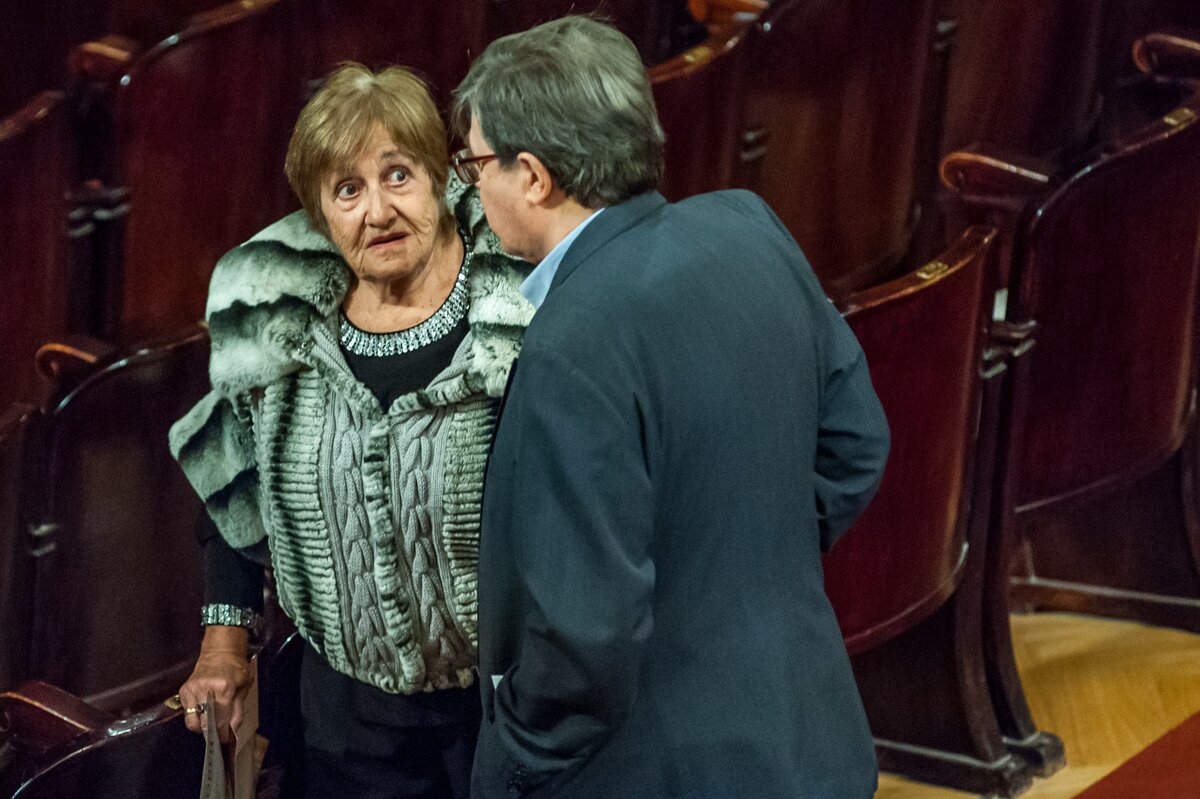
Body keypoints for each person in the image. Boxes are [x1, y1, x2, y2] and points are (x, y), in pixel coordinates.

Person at [452, 15, 891, 799]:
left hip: (660, 769)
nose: (472, 186)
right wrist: (734, 565)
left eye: (477, 163)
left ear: (534, 176)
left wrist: (513, 757)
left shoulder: (570, 341)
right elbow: (857, 444)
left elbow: (583, 635)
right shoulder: (751, 227)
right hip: (808, 738)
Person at [168, 63, 533, 798]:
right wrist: (224, 643)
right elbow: (232, 492)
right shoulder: (274, 321)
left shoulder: (519, 309)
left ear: (442, 176)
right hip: (344, 721)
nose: (377, 211)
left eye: (398, 175)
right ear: (319, 215)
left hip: (504, 713)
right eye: (347, 190)